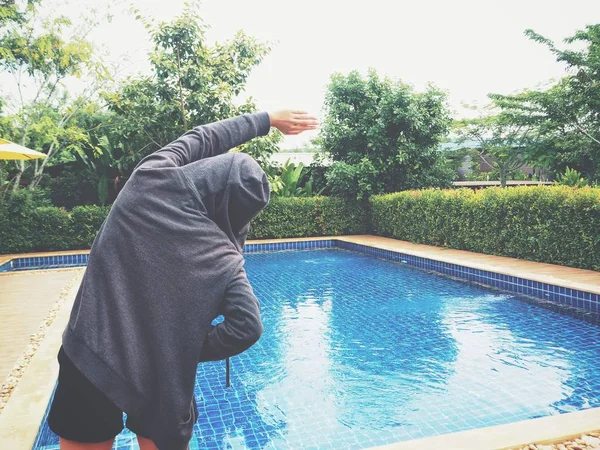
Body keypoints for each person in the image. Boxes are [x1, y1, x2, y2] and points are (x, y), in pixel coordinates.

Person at [47, 110, 319, 450]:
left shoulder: (150, 177)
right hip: (160, 375)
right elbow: (248, 326)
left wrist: (268, 120)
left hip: (90, 351)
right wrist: (183, 345)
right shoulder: (223, 257)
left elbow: (205, 137)